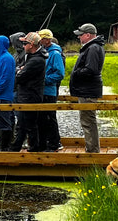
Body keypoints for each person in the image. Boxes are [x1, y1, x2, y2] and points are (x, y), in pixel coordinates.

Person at [68, 23, 105, 153]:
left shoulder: (93, 48)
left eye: (81, 35)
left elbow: (91, 69)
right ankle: (91, 148)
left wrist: (76, 72)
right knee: (87, 121)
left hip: (88, 91)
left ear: (88, 35)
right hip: (86, 90)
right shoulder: (92, 47)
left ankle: (93, 150)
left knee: (88, 121)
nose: (79, 38)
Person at [9, 32, 46, 152]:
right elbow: (21, 72)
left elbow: (19, 77)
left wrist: (19, 71)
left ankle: (34, 148)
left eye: (25, 43)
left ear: (31, 45)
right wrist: (20, 70)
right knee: (22, 124)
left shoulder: (36, 60)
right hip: (26, 95)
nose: (23, 45)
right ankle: (17, 147)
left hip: (30, 96)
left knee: (30, 124)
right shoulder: (32, 58)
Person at [37, 28, 64, 151]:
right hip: (42, 92)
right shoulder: (43, 52)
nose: (39, 41)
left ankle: (54, 144)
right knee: (42, 119)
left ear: (47, 40)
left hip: (49, 92)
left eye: (40, 39)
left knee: (50, 119)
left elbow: (59, 74)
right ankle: (44, 143)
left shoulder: (55, 54)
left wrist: (43, 80)